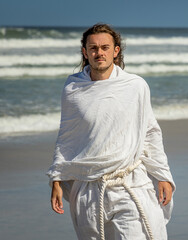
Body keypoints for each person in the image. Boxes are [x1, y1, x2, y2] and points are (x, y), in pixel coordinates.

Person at [47, 23, 175, 240]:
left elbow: (150, 132)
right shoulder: (72, 89)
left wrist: (162, 175)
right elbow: (67, 137)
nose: (99, 53)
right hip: (87, 190)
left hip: (129, 184)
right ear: (85, 52)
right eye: (94, 48)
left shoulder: (135, 86)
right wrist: (57, 178)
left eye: (105, 47)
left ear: (116, 51)